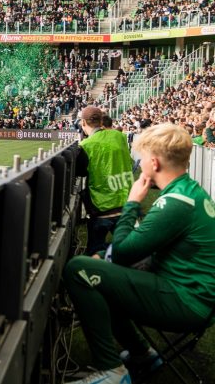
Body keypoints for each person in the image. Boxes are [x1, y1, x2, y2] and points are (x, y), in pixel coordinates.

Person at [63, 123, 215, 384]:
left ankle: (112, 371)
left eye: (141, 157)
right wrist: (108, 258)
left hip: (188, 301)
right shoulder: (188, 191)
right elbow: (136, 249)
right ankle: (141, 353)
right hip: (193, 295)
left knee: (78, 269)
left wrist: (131, 203)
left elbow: (123, 252)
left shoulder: (176, 202)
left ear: (154, 162)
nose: (139, 162)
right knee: (103, 271)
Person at [76, 105, 134, 257]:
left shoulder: (85, 145)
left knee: (95, 254)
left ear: (83, 123)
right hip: (125, 202)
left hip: (101, 206)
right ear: (101, 121)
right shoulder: (120, 137)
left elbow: (80, 172)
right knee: (129, 253)